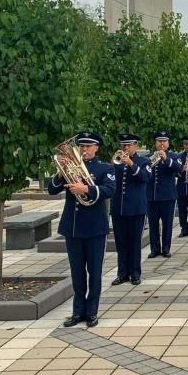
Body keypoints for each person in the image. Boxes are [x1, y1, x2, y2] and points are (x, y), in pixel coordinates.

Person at [49, 131, 116, 328]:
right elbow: (52, 190)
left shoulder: (104, 168)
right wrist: (60, 173)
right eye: (82, 146)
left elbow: (109, 190)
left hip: (95, 228)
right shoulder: (70, 167)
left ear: (96, 148)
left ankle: (92, 312)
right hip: (73, 227)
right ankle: (78, 311)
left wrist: (86, 189)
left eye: (88, 146)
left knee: (94, 273)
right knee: (77, 272)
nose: (84, 150)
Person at [109, 133, 150, 287]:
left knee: (134, 243)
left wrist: (132, 164)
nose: (126, 148)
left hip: (136, 209)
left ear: (136, 146)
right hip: (118, 208)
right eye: (123, 145)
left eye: (129, 145)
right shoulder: (116, 163)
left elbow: (145, 178)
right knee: (121, 243)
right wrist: (112, 165)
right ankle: (122, 274)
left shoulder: (144, 161)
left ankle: (135, 274)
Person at [146, 130, 181, 258]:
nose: (161, 144)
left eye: (164, 141)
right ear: (155, 143)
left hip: (168, 196)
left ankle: (166, 248)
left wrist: (167, 159)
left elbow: (179, 169)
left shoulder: (174, 157)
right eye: (159, 141)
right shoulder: (148, 157)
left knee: (167, 224)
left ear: (168, 143)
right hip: (152, 196)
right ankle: (155, 249)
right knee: (153, 224)